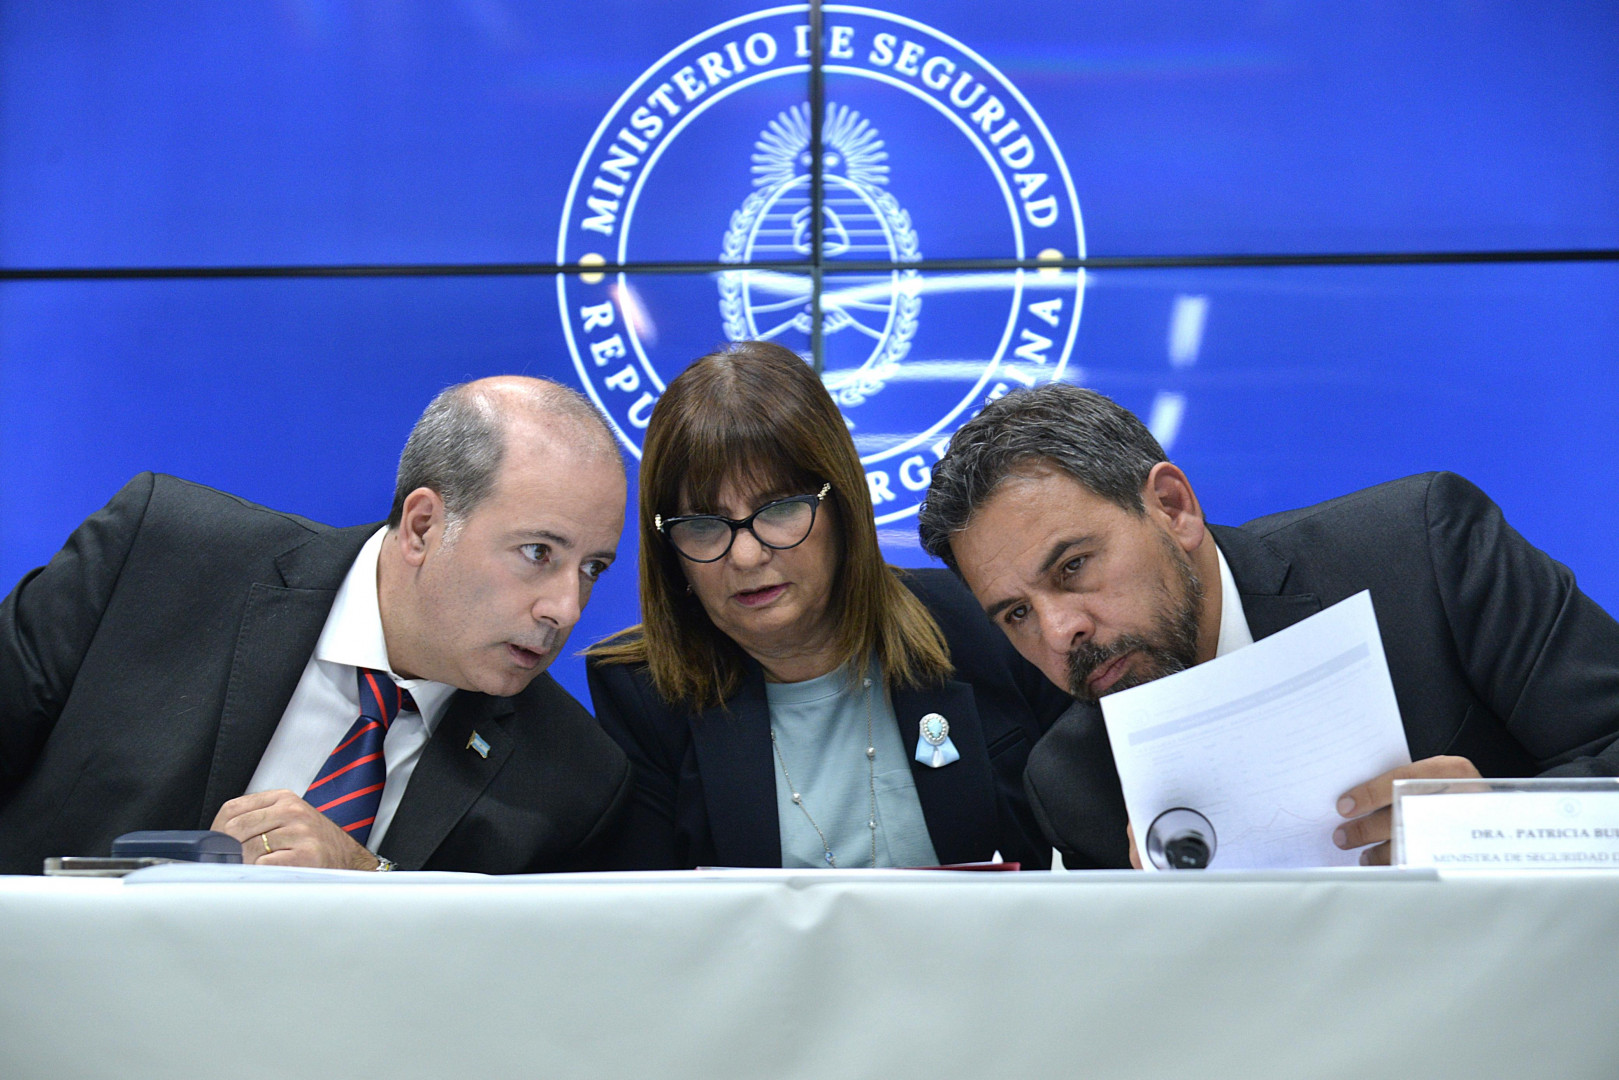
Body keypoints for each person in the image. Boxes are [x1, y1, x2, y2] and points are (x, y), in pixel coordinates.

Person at [917, 383, 1619, 869]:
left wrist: (1498, 825)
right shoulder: (1075, 782)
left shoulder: (1420, 553)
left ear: (1171, 507)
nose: (1058, 630)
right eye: (1015, 613)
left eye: (1071, 568)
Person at [0, 376, 632, 875]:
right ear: (422, 527)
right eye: (537, 553)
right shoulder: (158, 558)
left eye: (593, 568)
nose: (566, 610)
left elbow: (523, 993)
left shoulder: (573, 779)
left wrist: (372, 878)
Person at [586, 342, 1071, 870]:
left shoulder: (981, 620)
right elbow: (652, 930)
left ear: (841, 505)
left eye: (779, 510)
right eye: (703, 525)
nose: (746, 555)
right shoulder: (642, 695)